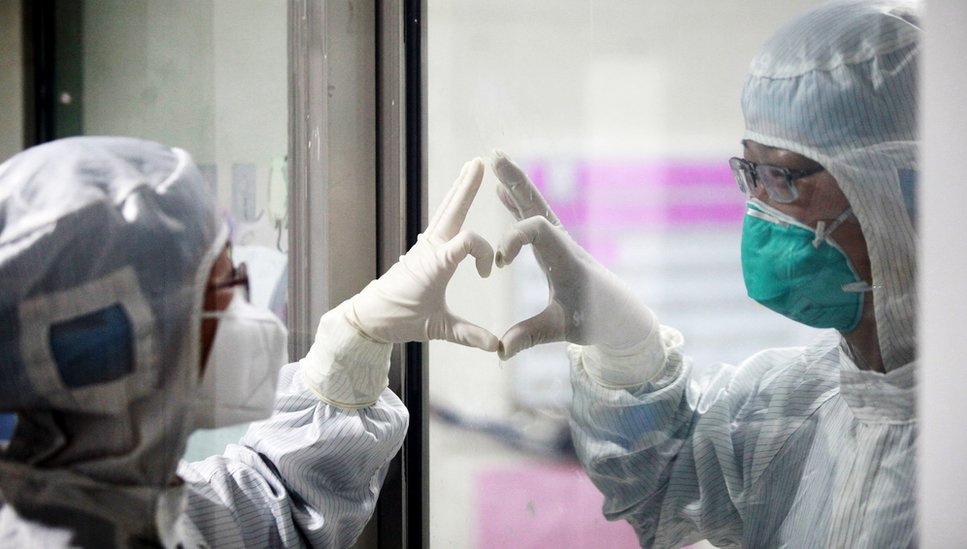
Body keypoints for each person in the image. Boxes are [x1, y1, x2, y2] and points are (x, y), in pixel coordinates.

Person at [488, 0, 919, 546]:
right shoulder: (798, 404)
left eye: (782, 176)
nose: (758, 204)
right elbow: (662, 478)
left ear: (898, 190)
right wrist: (628, 352)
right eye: (750, 172)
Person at [0, 136, 496, 546]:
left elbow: (275, 508)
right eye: (221, 286)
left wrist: (356, 339)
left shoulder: (127, 509)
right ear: (126, 342)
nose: (248, 305)